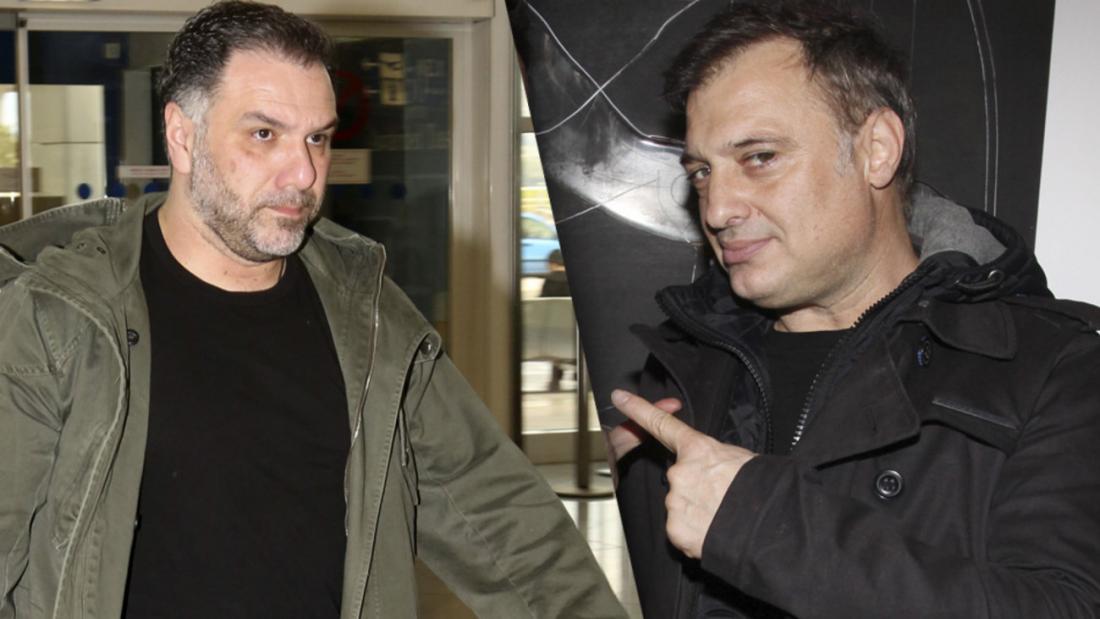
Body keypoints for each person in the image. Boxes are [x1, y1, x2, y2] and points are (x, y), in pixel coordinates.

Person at [0, 2, 626, 618]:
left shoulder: (368, 316)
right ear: (182, 136)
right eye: (264, 134)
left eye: (318, 138)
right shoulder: (60, 318)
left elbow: (497, 513)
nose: (303, 173)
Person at [606, 1, 1100, 617]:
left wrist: (764, 526)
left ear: (877, 150)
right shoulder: (682, 367)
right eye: (703, 172)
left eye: (759, 157)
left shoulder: (1056, 368)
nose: (717, 208)